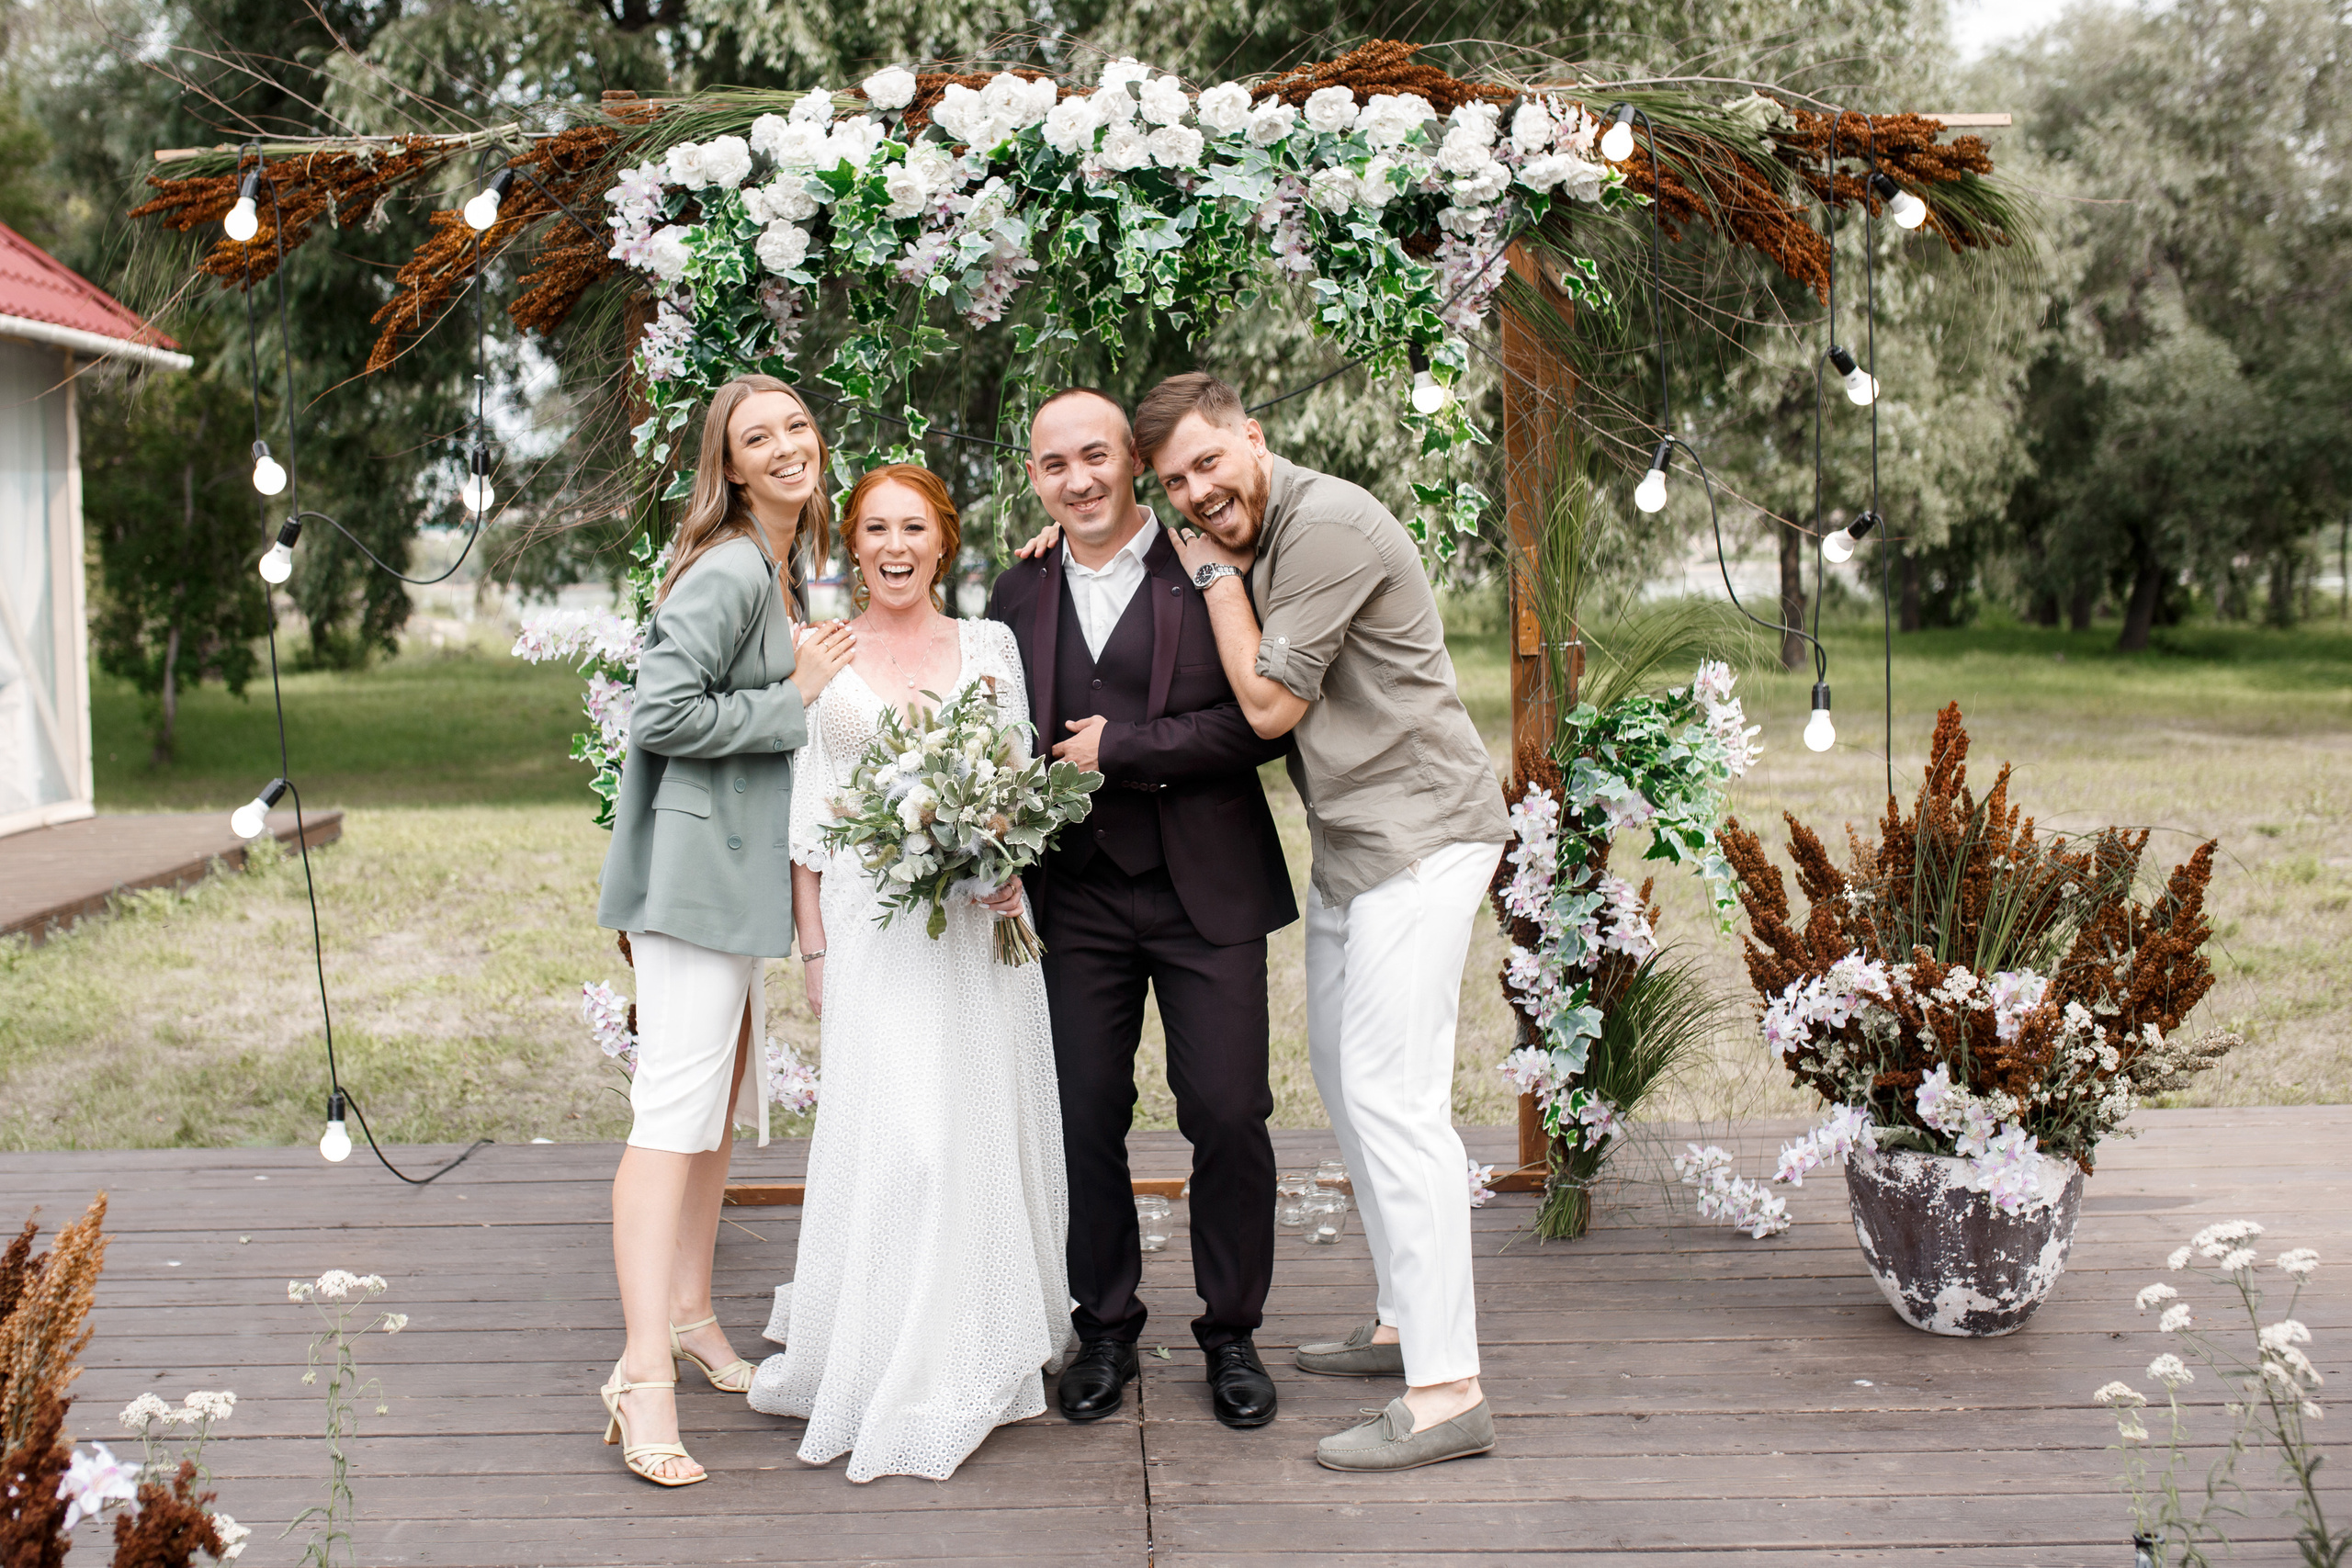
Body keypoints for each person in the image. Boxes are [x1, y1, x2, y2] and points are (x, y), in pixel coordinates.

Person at [1136, 371, 1510, 1473]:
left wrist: (1205, 573)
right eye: (1177, 484)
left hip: (1424, 836)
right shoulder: (1261, 533)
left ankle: (1448, 1394)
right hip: (1357, 846)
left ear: (1254, 438)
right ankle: (1402, 1321)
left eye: (1211, 463)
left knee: (1398, 1100)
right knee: (1347, 1081)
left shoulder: (1329, 523)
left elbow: (1265, 705)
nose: (1199, 494)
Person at [745, 463, 1072, 1483]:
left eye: (913, 529)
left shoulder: (991, 646)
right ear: (854, 544)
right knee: (899, 1139)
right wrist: (812, 951)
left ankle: (977, 1337)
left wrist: (1005, 864)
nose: (894, 547)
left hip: (974, 925)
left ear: (943, 542)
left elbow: (1013, 778)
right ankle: (883, 1347)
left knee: (970, 1126)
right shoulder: (817, 651)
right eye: (875, 529)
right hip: (869, 926)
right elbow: (806, 814)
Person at [989, 389, 1295, 1431]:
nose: (1075, 481)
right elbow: (998, 735)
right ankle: (1105, 1325)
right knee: (1081, 1116)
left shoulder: (1210, 569)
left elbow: (1259, 729)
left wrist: (1122, 747)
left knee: (1228, 1113)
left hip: (1205, 889)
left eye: (1095, 458)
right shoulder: (1014, 593)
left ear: (1133, 463)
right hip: (1074, 898)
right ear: (1032, 477)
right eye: (1052, 464)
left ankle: (1233, 1330)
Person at [594, 374, 857, 1487]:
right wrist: (789, 696)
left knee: (706, 1120)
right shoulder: (729, 566)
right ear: (732, 467)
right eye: (761, 437)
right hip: (695, 889)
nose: (788, 445)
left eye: (796, 425)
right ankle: (640, 1376)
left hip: (731, 889)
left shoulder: (780, 562)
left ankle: (696, 1318)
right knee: (670, 1121)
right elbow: (658, 714)